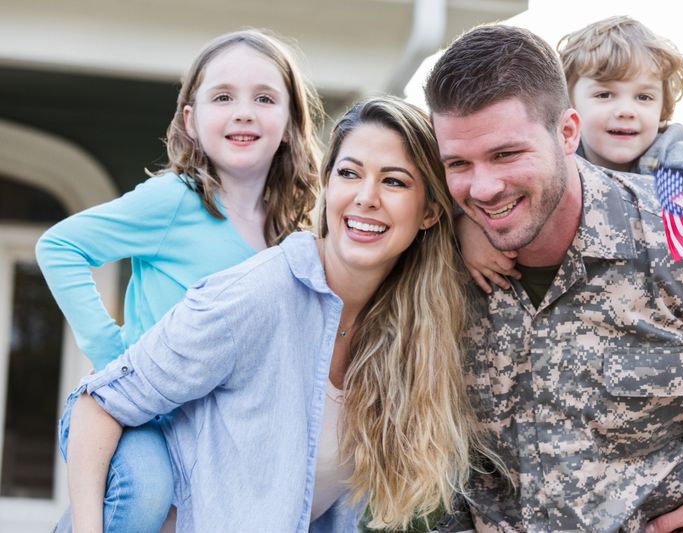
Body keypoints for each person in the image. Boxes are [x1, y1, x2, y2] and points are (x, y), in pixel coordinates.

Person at [425, 24, 683, 532]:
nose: (484, 187)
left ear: (567, 132)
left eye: (507, 154)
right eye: (458, 164)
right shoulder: (433, 265)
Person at [58, 96, 486, 532]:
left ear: (431, 211)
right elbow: (97, 405)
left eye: (394, 182)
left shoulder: (405, 330)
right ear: (328, 185)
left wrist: (472, 231)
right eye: (349, 173)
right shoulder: (257, 296)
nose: (365, 197)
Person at [37, 28, 323, 531]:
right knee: (146, 489)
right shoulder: (175, 199)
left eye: (263, 97)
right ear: (190, 120)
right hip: (135, 417)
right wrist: (112, 356)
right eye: (222, 97)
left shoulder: (292, 233)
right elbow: (59, 246)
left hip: (211, 435)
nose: (243, 111)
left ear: (290, 122)